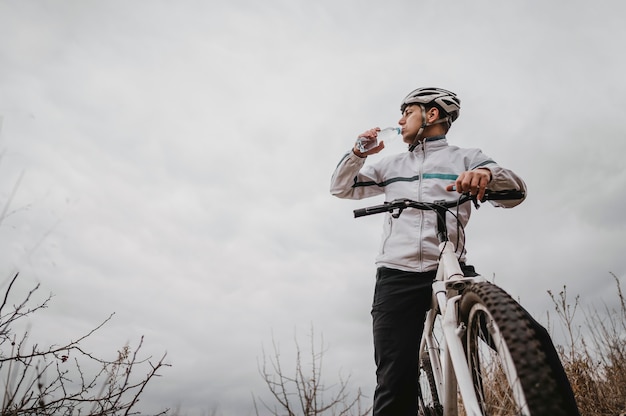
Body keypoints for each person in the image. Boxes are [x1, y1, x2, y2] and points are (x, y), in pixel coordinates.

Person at [329, 87, 528, 415]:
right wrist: (358, 153)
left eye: (407, 112)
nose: (400, 119)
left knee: (526, 335)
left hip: (451, 266)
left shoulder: (466, 157)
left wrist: (487, 175)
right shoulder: (391, 164)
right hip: (396, 273)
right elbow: (340, 187)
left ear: (431, 114)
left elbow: (515, 193)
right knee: (394, 378)